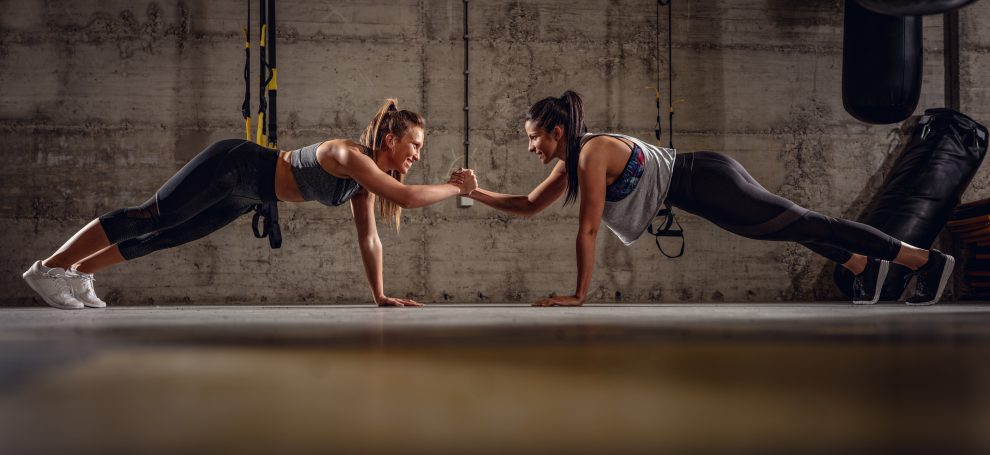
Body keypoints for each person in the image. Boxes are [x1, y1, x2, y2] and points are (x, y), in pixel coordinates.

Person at [462, 90, 954, 306]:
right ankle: (861, 268)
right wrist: (475, 192)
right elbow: (529, 205)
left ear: (556, 130)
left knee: (807, 223)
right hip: (706, 187)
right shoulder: (575, 159)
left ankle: (922, 261)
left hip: (710, 181)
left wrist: (578, 296)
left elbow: (587, 227)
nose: (532, 148)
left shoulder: (590, 155)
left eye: (534, 138)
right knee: (796, 228)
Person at [23, 99, 477, 309]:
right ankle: (50, 269)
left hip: (247, 195)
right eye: (415, 145)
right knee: (152, 214)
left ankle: (81, 274)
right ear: (392, 139)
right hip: (235, 167)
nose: (417, 155)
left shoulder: (365, 180)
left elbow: (369, 237)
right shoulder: (348, 155)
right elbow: (408, 197)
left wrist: (380, 296)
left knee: (167, 236)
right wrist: (459, 188)